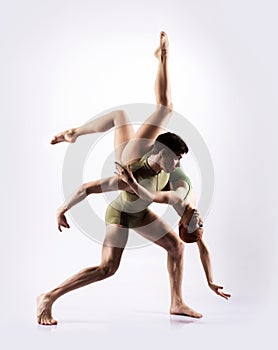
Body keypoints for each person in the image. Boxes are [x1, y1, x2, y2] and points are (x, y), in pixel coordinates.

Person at [37, 32, 230, 326]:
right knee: (107, 268)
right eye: (198, 221)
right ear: (161, 153)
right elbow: (90, 187)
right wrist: (63, 207)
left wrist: (211, 281)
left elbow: (200, 244)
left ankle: (176, 302)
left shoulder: (183, 202)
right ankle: (48, 297)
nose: (198, 221)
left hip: (137, 207)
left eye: (194, 223)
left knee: (176, 247)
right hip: (128, 180)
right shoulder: (153, 167)